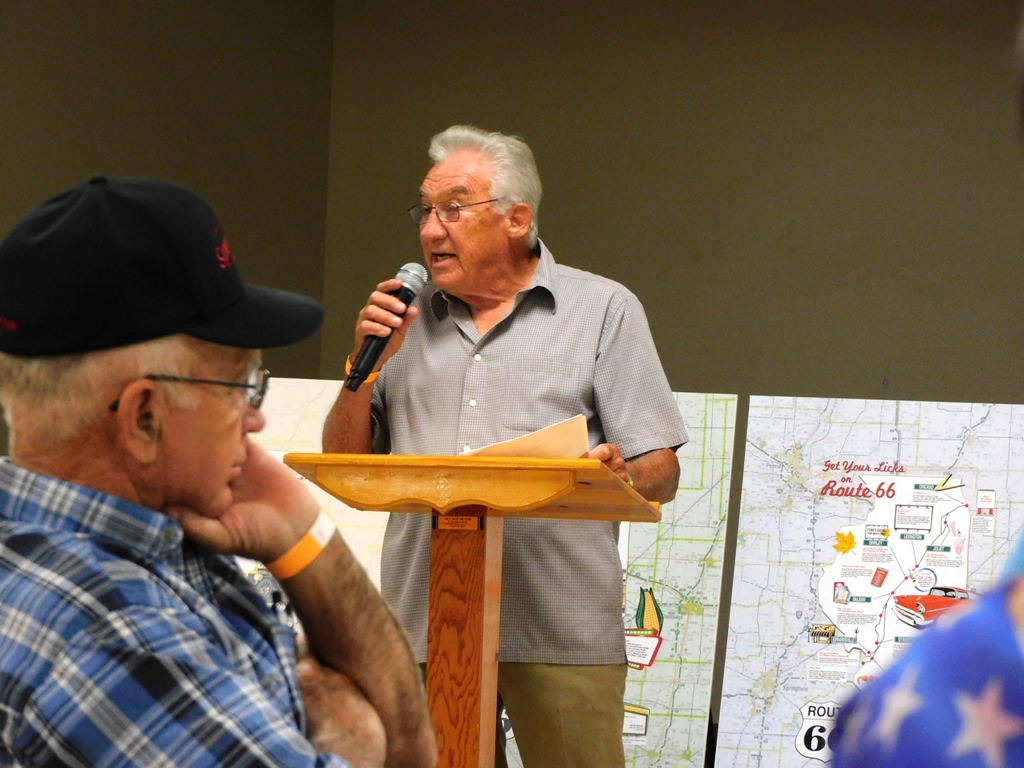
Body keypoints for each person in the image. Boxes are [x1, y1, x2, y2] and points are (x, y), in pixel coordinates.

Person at [0, 176, 436, 768]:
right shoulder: (112, 631)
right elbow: (407, 751)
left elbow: (408, 749)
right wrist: (349, 720)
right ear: (144, 418)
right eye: (240, 384)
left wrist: (299, 536)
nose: (256, 418)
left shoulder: (153, 541)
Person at [322, 125, 688, 767]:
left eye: (453, 209)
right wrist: (366, 365)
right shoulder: (402, 321)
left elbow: (661, 469)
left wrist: (616, 474)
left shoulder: (603, 309)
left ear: (517, 219)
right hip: (425, 622)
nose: (430, 230)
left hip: (560, 627)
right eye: (424, 211)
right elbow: (345, 461)